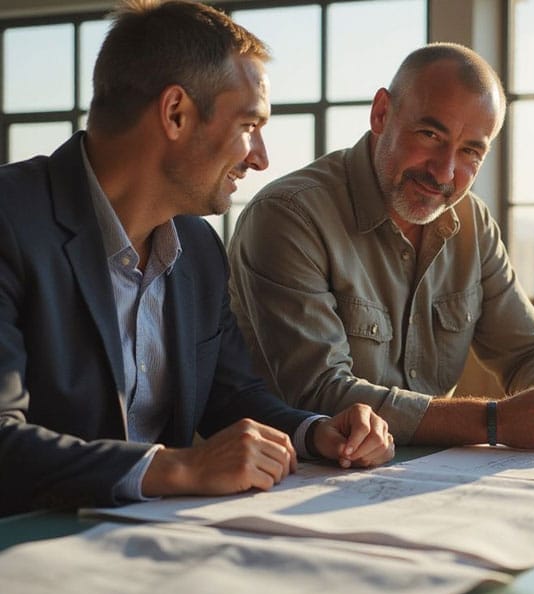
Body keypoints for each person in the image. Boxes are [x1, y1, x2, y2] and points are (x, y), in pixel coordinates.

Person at [0, 0, 393, 517]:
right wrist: (181, 468)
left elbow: (231, 397)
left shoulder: (200, 249)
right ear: (176, 113)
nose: (261, 158)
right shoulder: (11, 220)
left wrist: (316, 431)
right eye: (250, 124)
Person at [228, 42, 534, 450]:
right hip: (298, 478)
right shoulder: (289, 215)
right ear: (382, 114)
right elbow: (319, 393)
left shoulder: (472, 222)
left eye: (470, 152)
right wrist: (492, 421)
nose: (445, 172)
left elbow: (532, 347)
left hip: (427, 479)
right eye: (430, 134)